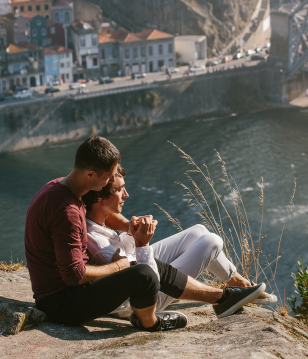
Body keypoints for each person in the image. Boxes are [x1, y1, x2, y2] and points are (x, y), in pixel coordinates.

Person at [24, 136, 265, 333]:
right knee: (142, 271)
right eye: (109, 178)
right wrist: (121, 266)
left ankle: (226, 297)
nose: (112, 181)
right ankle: (151, 322)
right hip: (62, 303)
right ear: (90, 175)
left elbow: (100, 215)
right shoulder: (66, 210)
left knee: (180, 244)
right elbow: (74, 275)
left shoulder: (64, 188)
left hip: (67, 292)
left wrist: (129, 226)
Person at [82, 164, 276, 319]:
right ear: (100, 196)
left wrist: (132, 230)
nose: (126, 195)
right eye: (120, 190)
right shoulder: (100, 246)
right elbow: (146, 279)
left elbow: (128, 256)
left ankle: (239, 284)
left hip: (137, 273)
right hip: (141, 302)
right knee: (212, 241)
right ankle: (228, 299)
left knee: (198, 231)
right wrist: (143, 243)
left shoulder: (94, 219)